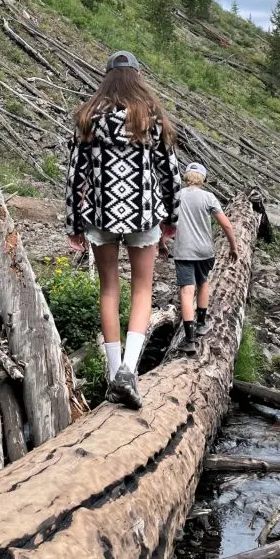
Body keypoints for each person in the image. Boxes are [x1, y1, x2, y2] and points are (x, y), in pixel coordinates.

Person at [65, 51, 181, 409]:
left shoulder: (89, 117)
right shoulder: (151, 116)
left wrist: (73, 222)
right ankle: (130, 370)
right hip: (143, 216)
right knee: (143, 289)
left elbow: (75, 175)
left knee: (109, 289)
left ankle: (115, 373)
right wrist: (171, 218)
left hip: (101, 216)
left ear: (107, 79)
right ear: (137, 77)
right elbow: (169, 172)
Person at [166, 162, 238, 355]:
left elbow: (164, 223)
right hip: (205, 251)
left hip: (184, 251)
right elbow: (227, 226)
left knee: (186, 292)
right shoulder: (209, 197)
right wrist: (233, 247)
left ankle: (190, 340)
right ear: (203, 179)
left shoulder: (177, 196)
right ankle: (202, 323)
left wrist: (161, 244)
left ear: (186, 177)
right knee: (203, 283)